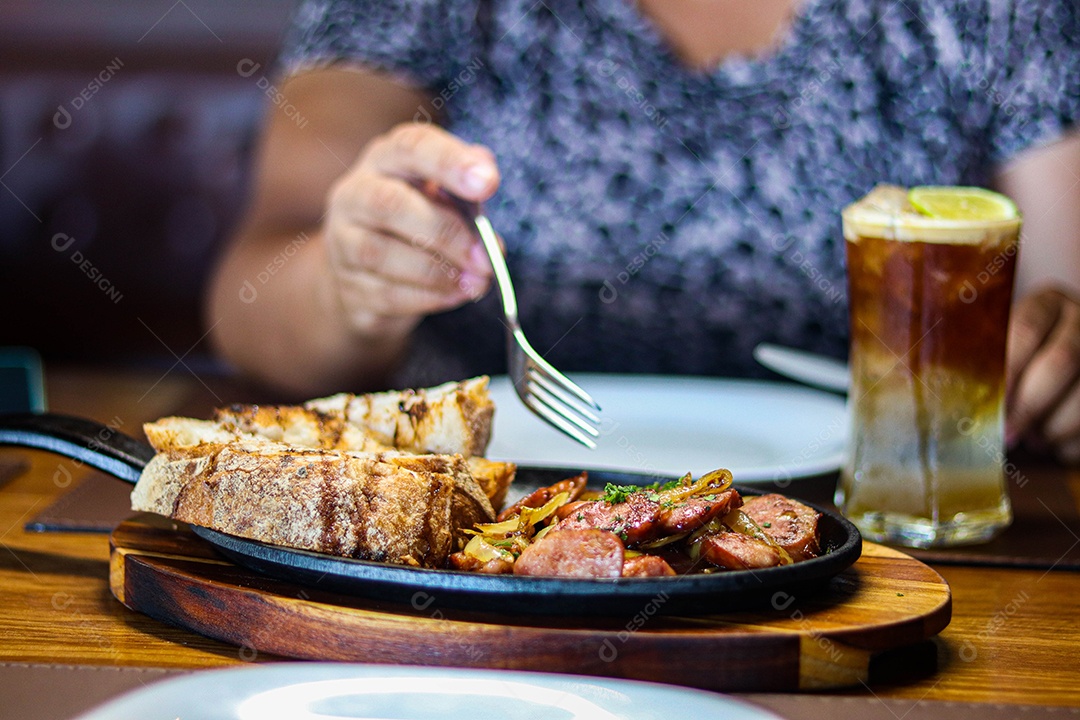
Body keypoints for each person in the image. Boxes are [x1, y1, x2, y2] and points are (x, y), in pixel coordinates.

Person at [206, 0, 1080, 461]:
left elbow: (1059, 300)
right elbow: (254, 291)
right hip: (474, 533)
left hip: (884, 548)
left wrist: (1055, 367)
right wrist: (345, 283)